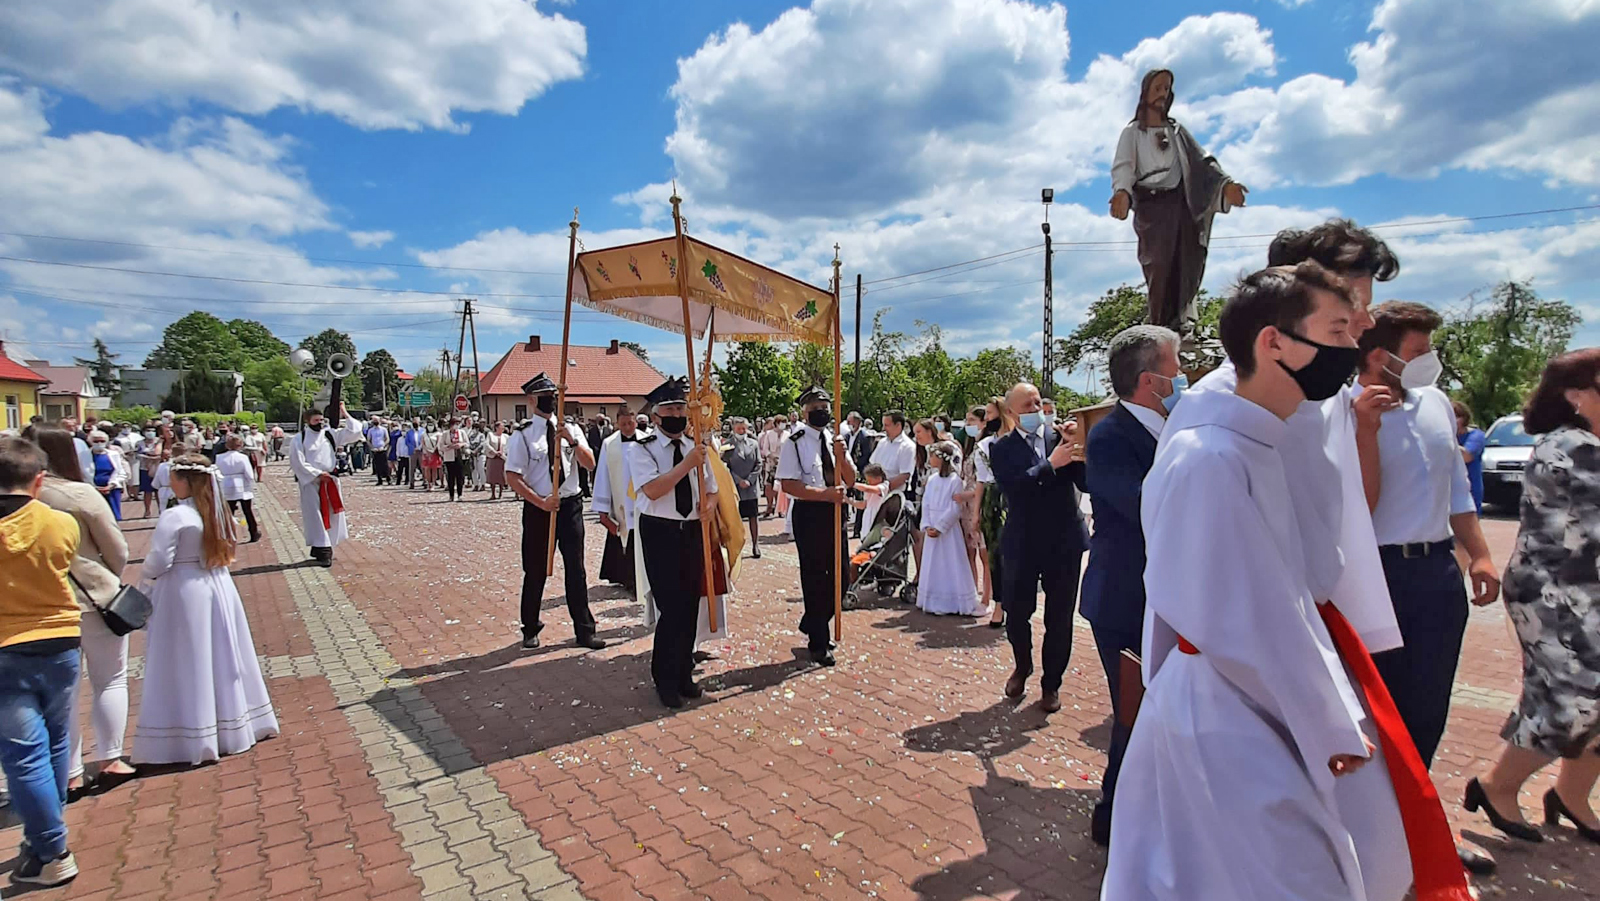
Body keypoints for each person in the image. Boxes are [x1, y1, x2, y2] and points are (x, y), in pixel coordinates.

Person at [1104, 262, 1415, 900]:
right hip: (1230, 716)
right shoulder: (1209, 457)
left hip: (1255, 700)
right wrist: (1325, 720)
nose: (1352, 347)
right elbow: (1239, 620)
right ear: (1273, 342)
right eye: (1335, 329)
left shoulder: (1254, 442)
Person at [1354, 301, 1500, 769]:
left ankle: (1416, 821)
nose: (1429, 360)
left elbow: (1457, 491)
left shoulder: (1435, 403)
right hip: (1377, 574)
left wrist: (1479, 555)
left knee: (1428, 703)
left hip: (1437, 573)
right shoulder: (1340, 410)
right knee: (1375, 707)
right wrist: (1365, 430)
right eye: (1419, 351)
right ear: (1379, 356)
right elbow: (1356, 503)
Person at [1465, 349, 1600, 846]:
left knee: (1589, 698)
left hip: (1585, 591)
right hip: (1556, 595)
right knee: (1570, 700)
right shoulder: (1572, 446)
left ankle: (1572, 794)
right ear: (1577, 395)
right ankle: (1496, 786)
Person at [1079, 324, 1182, 845]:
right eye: (1176, 366)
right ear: (1150, 380)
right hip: (1125, 600)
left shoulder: (1176, 428)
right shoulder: (1111, 435)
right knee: (1134, 710)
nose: (1183, 375)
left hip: (1168, 598)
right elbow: (1147, 506)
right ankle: (1113, 814)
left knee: (1162, 711)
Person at [132, 455, 278, 765]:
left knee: (189, 659)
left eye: (173, 476)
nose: (169, 482)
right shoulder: (218, 512)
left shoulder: (176, 516)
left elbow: (158, 561)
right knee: (224, 654)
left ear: (186, 481)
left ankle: (194, 733)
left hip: (185, 590)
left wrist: (144, 577)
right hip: (219, 584)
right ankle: (235, 723)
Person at [32, 427, 137, 796]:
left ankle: (71, 770)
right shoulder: (78, 494)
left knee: (62, 690)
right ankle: (111, 759)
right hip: (93, 599)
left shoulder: (19, 499)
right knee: (110, 678)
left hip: (40, 606)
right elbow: (119, 549)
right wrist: (104, 577)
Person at [0, 436, 83, 887]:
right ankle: (41, 840)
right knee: (52, 744)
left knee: (21, 755)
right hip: (59, 642)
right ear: (37, 480)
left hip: (6, 645)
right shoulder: (59, 522)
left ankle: (53, 848)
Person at [1108, 67, 1247, 334]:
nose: (1163, 93)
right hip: (1153, 208)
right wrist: (1122, 192)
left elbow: (1203, 162)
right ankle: (1161, 324)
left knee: (1187, 262)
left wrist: (1226, 184)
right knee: (1159, 267)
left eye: (1167, 88)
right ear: (1146, 92)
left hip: (1182, 205)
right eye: (1158, 87)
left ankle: (1183, 323)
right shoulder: (1133, 132)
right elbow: (1123, 166)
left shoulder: (1177, 131)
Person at [989, 382, 1087, 713]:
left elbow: (1086, 482)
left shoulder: (1060, 438)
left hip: (1064, 540)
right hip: (1024, 540)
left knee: (1060, 617)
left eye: (1038, 403)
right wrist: (1051, 465)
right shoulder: (1001, 448)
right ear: (1013, 413)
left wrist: (1078, 446)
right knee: (1018, 613)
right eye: (1028, 406)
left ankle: (1051, 684)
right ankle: (1022, 665)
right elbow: (1016, 489)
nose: (1036, 410)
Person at [628, 378, 721, 708]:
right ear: (655, 416)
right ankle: (664, 678)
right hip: (661, 531)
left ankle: (684, 673)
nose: (677, 415)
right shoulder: (642, 449)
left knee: (689, 606)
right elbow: (653, 489)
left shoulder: (695, 447)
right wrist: (687, 464)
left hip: (692, 531)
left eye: (681, 409)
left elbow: (710, 488)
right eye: (669, 410)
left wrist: (709, 503)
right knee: (671, 608)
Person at [505, 374, 604, 651]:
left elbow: (590, 464)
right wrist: (540, 501)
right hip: (539, 508)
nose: (551, 400)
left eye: (554, 395)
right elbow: (513, 476)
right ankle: (530, 628)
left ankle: (585, 630)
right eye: (546, 395)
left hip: (570, 505)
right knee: (535, 569)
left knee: (577, 569)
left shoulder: (572, 428)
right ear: (532, 400)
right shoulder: (523, 434)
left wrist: (571, 441)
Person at [776, 387, 855, 665]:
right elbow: (788, 484)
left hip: (835, 513)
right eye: (816, 408)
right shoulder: (794, 442)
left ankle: (813, 620)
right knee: (816, 577)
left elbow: (852, 479)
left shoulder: (837, 439)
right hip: (811, 513)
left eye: (826, 406)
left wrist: (842, 456)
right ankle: (818, 642)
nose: (822, 412)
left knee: (842, 577)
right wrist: (825, 495)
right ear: (805, 412)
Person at [287, 405, 365, 567]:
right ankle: (323, 550)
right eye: (316, 420)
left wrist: (344, 412)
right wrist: (315, 473)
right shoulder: (299, 438)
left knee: (332, 513)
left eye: (321, 420)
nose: (320, 423)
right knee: (315, 515)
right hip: (311, 481)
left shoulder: (330, 434)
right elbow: (297, 460)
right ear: (308, 421)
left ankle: (325, 544)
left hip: (330, 480)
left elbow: (355, 431)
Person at [917, 440, 982, 616]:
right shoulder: (931, 479)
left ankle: (952, 600)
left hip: (948, 531)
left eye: (932, 456)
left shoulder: (955, 481)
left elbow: (955, 507)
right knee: (934, 564)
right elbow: (927, 502)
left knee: (950, 562)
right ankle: (932, 599)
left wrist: (940, 527)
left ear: (941, 458)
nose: (929, 459)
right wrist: (928, 524)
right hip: (933, 527)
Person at [593, 411, 645, 591]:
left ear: (636, 422)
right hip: (621, 500)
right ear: (617, 424)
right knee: (624, 535)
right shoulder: (610, 444)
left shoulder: (648, 440)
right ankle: (627, 578)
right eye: (623, 424)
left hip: (643, 498)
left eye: (630, 423)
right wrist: (602, 511)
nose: (627, 427)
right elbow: (602, 475)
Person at [974, 399, 1010, 628]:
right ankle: (999, 603)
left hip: (1012, 497)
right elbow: (980, 479)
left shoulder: (1017, 440)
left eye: (990, 413)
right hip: (992, 500)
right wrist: (976, 512)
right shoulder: (985, 444)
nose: (987, 418)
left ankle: (1012, 601)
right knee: (995, 554)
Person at [723, 417, 763, 559]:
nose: (742, 431)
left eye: (744, 428)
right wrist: (738, 480)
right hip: (736, 487)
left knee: (753, 516)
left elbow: (759, 464)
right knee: (735, 518)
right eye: (739, 428)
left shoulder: (753, 444)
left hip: (750, 487)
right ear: (734, 429)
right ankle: (736, 547)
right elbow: (725, 465)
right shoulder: (728, 445)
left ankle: (755, 545)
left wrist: (750, 480)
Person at [216, 434, 260, 543]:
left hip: (226, 484)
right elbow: (249, 474)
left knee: (228, 512)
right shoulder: (243, 457)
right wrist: (251, 483)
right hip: (241, 484)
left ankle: (226, 534)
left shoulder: (219, 457)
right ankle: (253, 533)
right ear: (240, 445)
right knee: (247, 511)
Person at [845, 412, 877, 538]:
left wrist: (857, 469)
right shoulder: (847, 436)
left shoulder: (865, 436)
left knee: (860, 500)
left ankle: (858, 529)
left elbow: (867, 455)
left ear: (857, 422)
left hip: (860, 472)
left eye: (850, 422)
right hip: (848, 472)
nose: (848, 424)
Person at [87, 430, 128, 522]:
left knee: (113, 517)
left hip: (112, 489)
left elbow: (121, 472)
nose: (99, 443)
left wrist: (111, 486)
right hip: (92, 489)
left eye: (102, 441)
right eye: (96, 441)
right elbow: (82, 473)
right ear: (90, 442)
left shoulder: (114, 454)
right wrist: (95, 488)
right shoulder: (84, 455)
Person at [1453, 401, 1487, 515]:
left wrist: (1444, 439)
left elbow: (1466, 456)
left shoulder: (1476, 436)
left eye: (1456, 417)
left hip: (1469, 493)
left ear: (1464, 418)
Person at [136, 425, 165, 519]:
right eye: (148, 430)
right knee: (147, 491)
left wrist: (153, 456)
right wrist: (148, 457)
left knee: (158, 491)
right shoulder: (140, 443)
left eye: (152, 430)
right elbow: (137, 455)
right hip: (144, 468)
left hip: (157, 468)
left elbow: (160, 454)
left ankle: (161, 510)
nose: (150, 432)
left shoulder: (159, 441)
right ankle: (147, 510)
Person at [760, 415, 784, 518]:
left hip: (783, 463)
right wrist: (772, 457)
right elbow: (765, 449)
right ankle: (769, 506)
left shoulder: (787, 434)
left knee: (781, 486)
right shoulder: (769, 434)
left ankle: (780, 508)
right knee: (769, 485)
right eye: (781, 422)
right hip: (771, 463)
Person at [441, 417, 467, 501]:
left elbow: (467, 443)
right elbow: (441, 446)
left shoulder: (462, 432)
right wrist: (449, 446)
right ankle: (451, 495)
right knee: (451, 477)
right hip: (449, 457)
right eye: (455, 424)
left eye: (458, 424)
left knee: (460, 476)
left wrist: (461, 445)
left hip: (460, 456)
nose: (456, 426)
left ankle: (460, 494)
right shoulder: (445, 434)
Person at [485, 421, 509, 500]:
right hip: (493, 457)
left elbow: (508, 446)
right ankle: (493, 493)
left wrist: (503, 452)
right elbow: (487, 444)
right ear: (496, 428)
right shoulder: (490, 435)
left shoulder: (506, 436)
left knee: (501, 475)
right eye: (500, 427)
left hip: (502, 458)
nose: (502, 429)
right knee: (492, 475)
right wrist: (495, 452)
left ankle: (501, 493)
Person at [367, 416, 391, 486]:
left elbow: (387, 439)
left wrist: (383, 446)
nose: (375, 422)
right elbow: (368, 440)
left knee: (385, 465)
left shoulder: (383, 429)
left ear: (379, 421)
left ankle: (388, 479)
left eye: (376, 420)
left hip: (382, 449)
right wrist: (372, 447)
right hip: (375, 449)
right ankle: (379, 480)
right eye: (374, 420)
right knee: (377, 466)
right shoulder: (370, 430)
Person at [469, 422, 488, 492]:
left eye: (476, 428)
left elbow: (482, 444)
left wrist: (476, 450)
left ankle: (483, 484)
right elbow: (468, 444)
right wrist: (471, 451)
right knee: (474, 470)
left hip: (480, 454)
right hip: (472, 455)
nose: (474, 429)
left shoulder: (481, 435)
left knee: (481, 469)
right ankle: (476, 484)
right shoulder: (471, 436)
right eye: (473, 428)